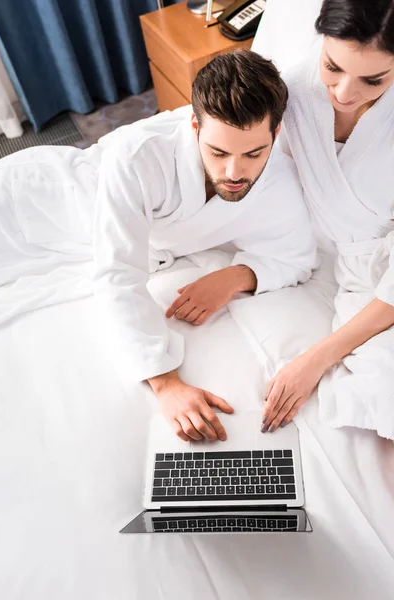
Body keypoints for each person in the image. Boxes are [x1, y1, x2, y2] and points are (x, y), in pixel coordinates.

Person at [93, 49, 318, 443]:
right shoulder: (135, 159)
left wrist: (236, 276)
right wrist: (165, 384)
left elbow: (297, 257)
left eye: (253, 153)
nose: (235, 173)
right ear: (195, 125)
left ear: (275, 135)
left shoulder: (278, 179)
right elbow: (116, 273)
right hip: (84, 195)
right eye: (219, 152)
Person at [261, 0, 394, 440]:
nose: (342, 92)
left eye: (373, 79)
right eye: (332, 65)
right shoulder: (293, 92)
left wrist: (317, 358)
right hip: (324, 251)